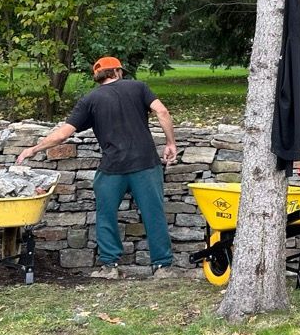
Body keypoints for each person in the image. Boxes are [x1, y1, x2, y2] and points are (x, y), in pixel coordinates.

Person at [17, 56, 179, 278]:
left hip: (112, 167)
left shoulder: (90, 99)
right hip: (146, 163)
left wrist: (34, 149)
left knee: (106, 215)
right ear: (118, 72)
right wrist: (170, 143)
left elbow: (63, 134)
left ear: (98, 77)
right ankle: (162, 267)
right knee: (154, 214)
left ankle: (109, 267)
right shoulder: (138, 87)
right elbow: (162, 112)